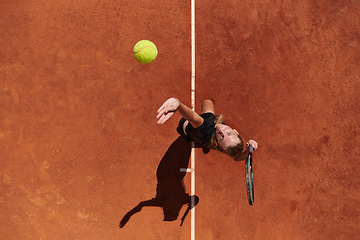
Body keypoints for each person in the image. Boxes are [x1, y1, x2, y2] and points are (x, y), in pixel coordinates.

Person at [156, 97, 258, 161]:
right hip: (200, 136)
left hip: (186, 129)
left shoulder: (208, 125)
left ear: (219, 144)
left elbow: (195, 114)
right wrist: (249, 152)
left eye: (221, 138)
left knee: (204, 116)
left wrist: (178, 104)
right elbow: (237, 158)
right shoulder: (224, 147)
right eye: (229, 133)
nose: (221, 131)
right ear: (235, 131)